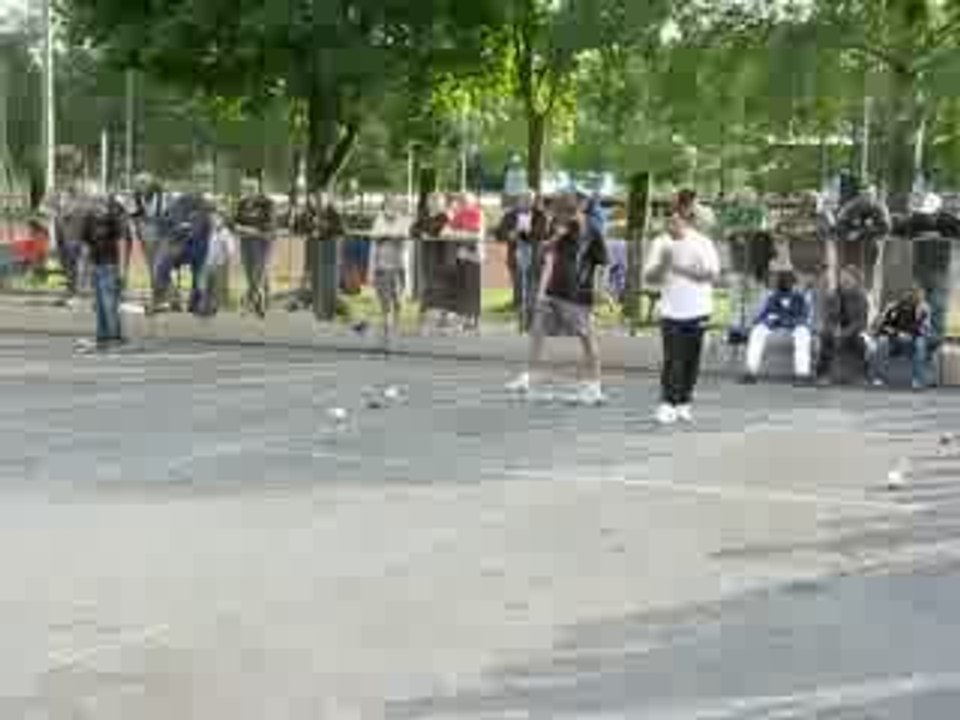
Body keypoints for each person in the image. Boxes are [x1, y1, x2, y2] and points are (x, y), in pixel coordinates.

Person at [506, 192, 609, 405]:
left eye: (560, 214)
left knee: (587, 338)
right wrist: (556, 237)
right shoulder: (558, 225)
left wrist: (600, 289)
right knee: (537, 331)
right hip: (554, 290)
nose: (556, 218)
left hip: (578, 294)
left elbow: (602, 263)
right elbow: (544, 251)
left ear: (572, 211)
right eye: (556, 215)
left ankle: (595, 386)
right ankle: (527, 377)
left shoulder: (592, 230)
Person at [643, 191, 721, 425]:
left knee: (691, 359)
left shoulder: (702, 242)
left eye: (675, 220)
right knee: (672, 358)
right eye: (667, 220)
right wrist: (663, 265)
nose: (670, 224)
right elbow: (650, 277)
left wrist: (678, 268)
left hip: (698, 309)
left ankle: (684, 402)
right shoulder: (660, 243)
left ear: (685, 220)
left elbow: (710, 275)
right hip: (671, 310)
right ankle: (667, 402)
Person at [742, 269, 813, 384]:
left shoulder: (800, 298)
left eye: (789, 282)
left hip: (794, 327)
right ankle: (750, 372)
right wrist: (762, 321)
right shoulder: (773, 297)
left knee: (803, 333)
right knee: (757, 331)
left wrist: (789, 321)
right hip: (775, 328)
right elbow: (764, 315)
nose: (785, 284)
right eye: (783, 282)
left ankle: (802, 374)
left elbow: (804, 317)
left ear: (794, 284)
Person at [81, 194, 128, 351]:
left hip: (110, 264)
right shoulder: (89, 219)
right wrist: (85, 270)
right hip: (96, 264)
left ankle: (115, 337)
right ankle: (102, 336)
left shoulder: (112, 218)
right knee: (99, 304)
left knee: (109, 302)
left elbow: (121, 242)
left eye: (100, 204)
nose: (98, 207)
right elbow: (86, 246)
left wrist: (121, 269)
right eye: (94, 204)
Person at [868, 286, 933, 389]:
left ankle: (918, 379)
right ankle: (877, 377)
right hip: (894, 339)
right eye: (908, 293)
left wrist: (911, 335)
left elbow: (924, 328)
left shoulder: (924, 308)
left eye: (915, 294)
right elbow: (883, 325)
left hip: (913, 339)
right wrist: (897, 334)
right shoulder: (892, 307)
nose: (910, 296)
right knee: (882, 342)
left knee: (920, 344)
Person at [816, 265, 870, 384]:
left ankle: (862, 375)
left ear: (856, 281)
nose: (845, 280)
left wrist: (845, 333)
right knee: (825, 337)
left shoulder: (861, 298)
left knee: (861, 342)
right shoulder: (832, 296)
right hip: (835, 330)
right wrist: (834, 330)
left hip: (853, 331)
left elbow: (861, 322)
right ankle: (822, 374)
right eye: (842, 277)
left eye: (848, 278)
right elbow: (827, 318)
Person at [234, 179, 276, 318]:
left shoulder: (267, 203)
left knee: (257, 274)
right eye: (246, 188)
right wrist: (238, 227)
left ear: (258, 189)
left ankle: (248, 304)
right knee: (249, 274)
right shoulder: (242, 203)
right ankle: (260, 302)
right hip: (246, 243)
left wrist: (250, 229)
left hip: (262, 244)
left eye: (252, 188)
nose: (249, 191)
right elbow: (235, 221)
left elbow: (269, 225)